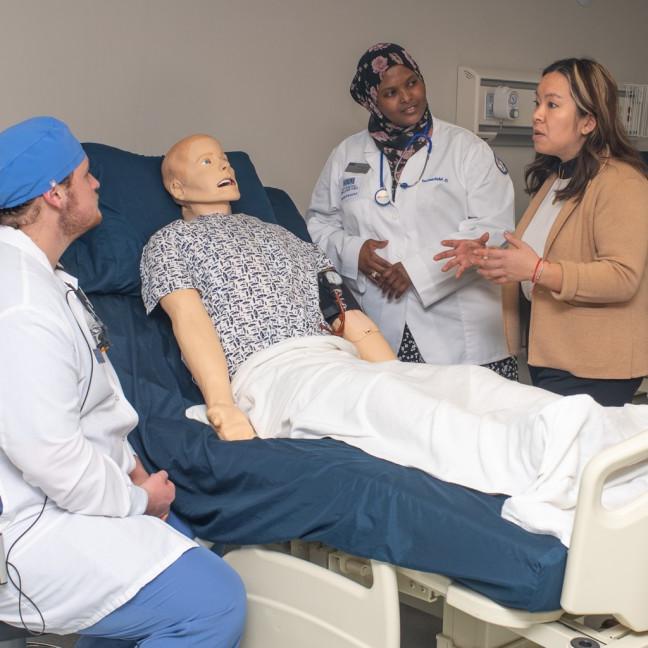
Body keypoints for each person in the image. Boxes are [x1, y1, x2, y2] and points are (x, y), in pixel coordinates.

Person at [140, 132, 648, 546]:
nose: (223, 165)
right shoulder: (169, 243)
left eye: (225, 156)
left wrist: (395, 372)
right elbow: (192, 325)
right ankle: (559, 463)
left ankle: (615, 433)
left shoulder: (285, 238)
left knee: (461, 385)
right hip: (277, 372)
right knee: (403, 407)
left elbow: (347, 317)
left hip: (341, 361)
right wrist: (224, 405)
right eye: (206, 161)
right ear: (178, 188)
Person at [0, 117, 245, 647]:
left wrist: (134, 472)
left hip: (76, 496)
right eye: (86, 177)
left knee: (197, 546)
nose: (97, 186)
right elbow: (49, 456)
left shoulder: (50, 279)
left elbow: (98, 405)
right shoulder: (20, 304)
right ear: (55, 194)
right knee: (213, 603)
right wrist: (139, 502)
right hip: (30, 531)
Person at [440, 58, 648, 406]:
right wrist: (488, 257)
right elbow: (543, 256)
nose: (537, 114)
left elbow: (622, 276)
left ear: (588, 121)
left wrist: (538, 271)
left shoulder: (622, 183)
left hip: (597, 366)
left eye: (552, 104)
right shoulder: (556, 179)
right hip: (554, 356)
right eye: (538, 103)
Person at [306, 42, 517, 379]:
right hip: (382, 325)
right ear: (372, 101)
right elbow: (318, 223)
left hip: (461, 336)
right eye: (390, 92)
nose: (407, 97)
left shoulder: (467, 150)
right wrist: (354, 252)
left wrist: (417, 271)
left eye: (412, 82)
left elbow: (494, 230)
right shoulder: (346, 155)